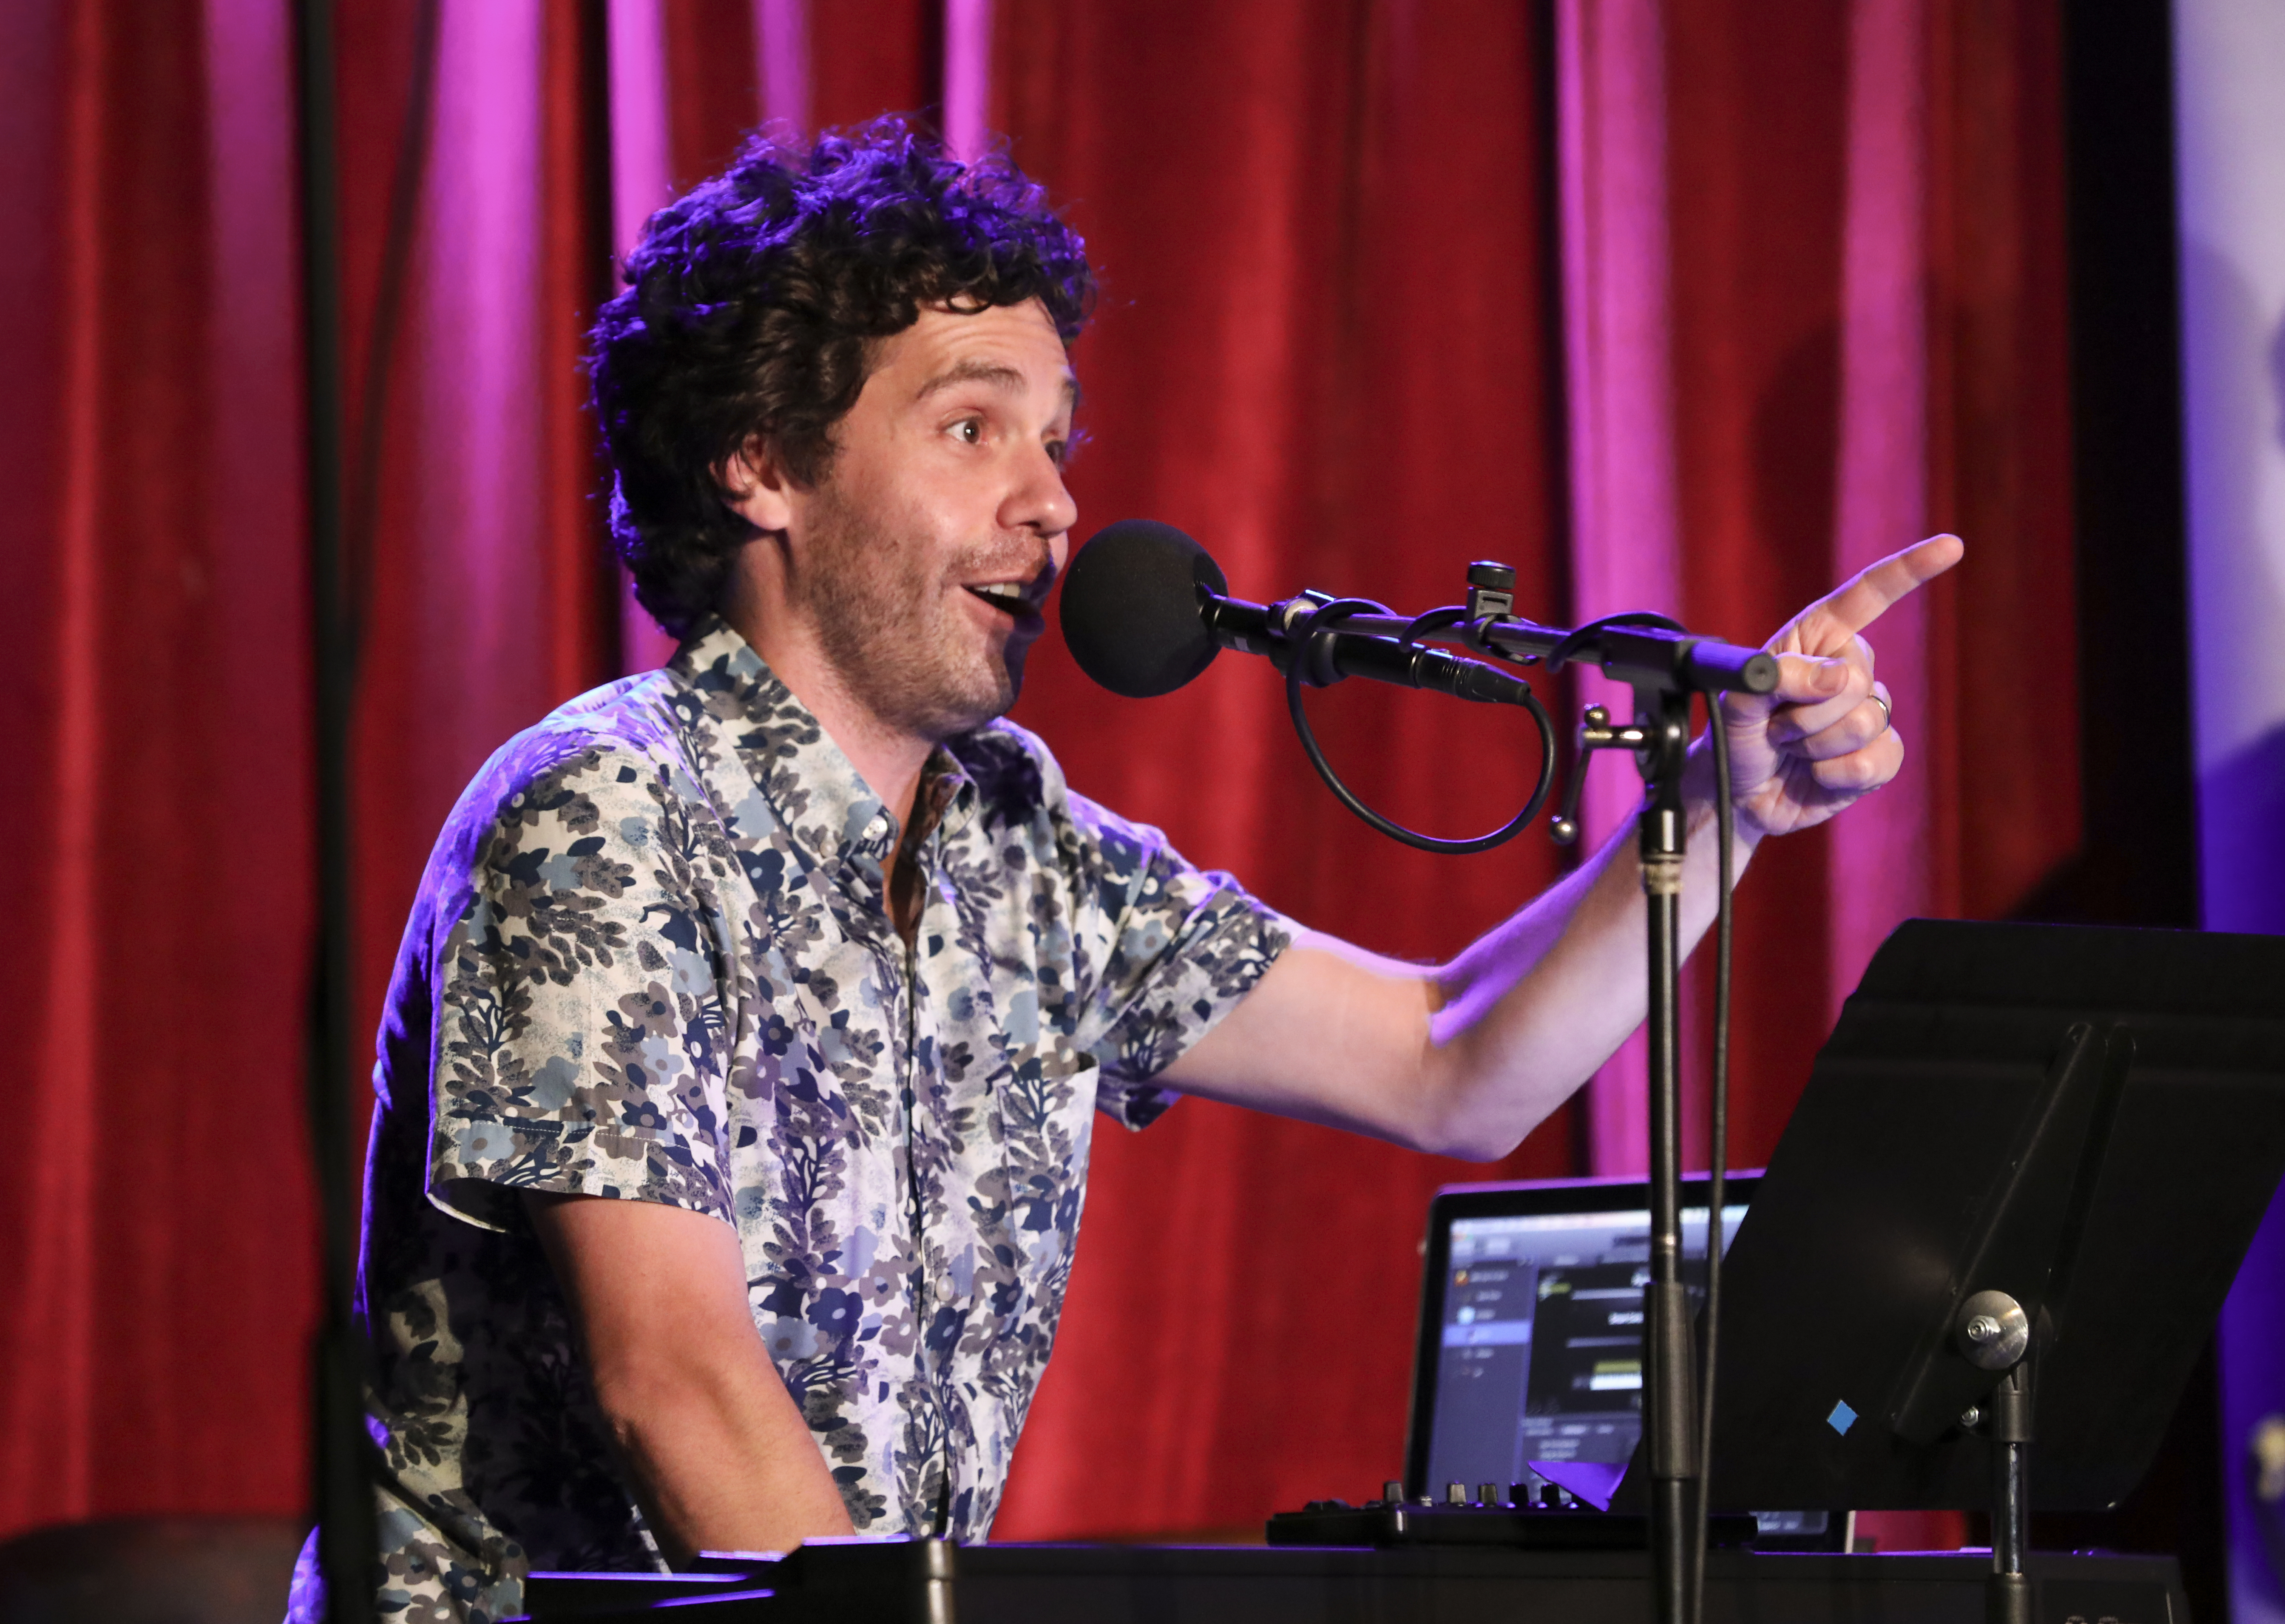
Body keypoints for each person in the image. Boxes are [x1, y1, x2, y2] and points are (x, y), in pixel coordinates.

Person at [295, 118, 1959, 1624]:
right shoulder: (599, 818)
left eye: (1059, 440)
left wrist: (1718, 813)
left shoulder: (1027, 855)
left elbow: (1453, 1059)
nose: (1053, 503)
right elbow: (679, 1381)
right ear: (764, 463)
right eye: (972, 428)